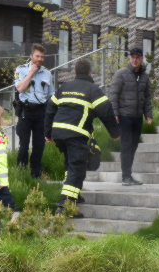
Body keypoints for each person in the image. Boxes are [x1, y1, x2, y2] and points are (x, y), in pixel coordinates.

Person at [45, 59, 120, 215]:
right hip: (76, 134)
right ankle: (66, 204)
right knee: (77, 168)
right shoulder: (93, 89)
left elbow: (50, 108)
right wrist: (115, 133)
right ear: (89, 72)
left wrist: (47, 133)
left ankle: (74, 194)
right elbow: (106, 110)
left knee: (70, 165)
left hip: (59, 133)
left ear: (75, 72)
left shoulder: (64, 87)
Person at [108, 47, 153, 186]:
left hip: (137, 117)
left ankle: (129, 175)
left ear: (141, 59)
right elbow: (113, 95)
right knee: (126, 145)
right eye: (132, 57)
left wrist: (149, 115)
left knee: (133, 146)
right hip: (124, 116)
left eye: (138, 57)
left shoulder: (145, 76)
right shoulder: (121, 74)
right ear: (129, 58)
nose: (135, 60)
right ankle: (125, 176)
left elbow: (147, 98)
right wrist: (115, 113)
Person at [14, 44, 54, 179]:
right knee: (23, 145)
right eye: (37, 56)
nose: (40, 59)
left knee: (39, 146)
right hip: (26, 111)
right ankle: (21, 174)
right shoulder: (20, 70)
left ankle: (35, 176)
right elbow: (20, 89)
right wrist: (31, 73)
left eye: (42, 57)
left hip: (41, 112)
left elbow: (50, 95)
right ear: (31, 56)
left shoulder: (47, 73)